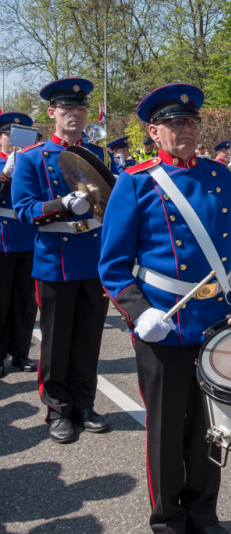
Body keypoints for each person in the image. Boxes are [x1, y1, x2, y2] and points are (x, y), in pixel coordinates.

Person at [99, 83, 231, 534]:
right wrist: (138, 311)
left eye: (191, 121)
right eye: (174, 123)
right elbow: (112, 264)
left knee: (212, 425)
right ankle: (168, 520)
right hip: (163, 322)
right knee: (165, 430)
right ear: (154, 132)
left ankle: (204, 512)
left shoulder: (221, 176)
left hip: (216, 320)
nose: (185, 129)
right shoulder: (137, 181)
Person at [13, 78, 122, 442]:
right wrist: (60, 206)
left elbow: (115, 202)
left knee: (89, 338)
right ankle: (58, 409)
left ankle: (84, 404)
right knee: (57, 341)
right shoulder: (31, 158)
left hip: (94, 258)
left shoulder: (101, 156)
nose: (75, 114)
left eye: (80, 109)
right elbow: (25, 209)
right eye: (67, 109)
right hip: (54, 260)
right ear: (52, 114)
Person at [0, 112, 39, 378]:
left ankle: (20, 353)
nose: (13, 140)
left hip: (28, 237)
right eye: (9, 134)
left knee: (25, 303)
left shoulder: (30, 162)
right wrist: (4, 175)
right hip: (2, 242)